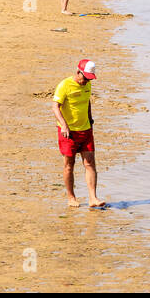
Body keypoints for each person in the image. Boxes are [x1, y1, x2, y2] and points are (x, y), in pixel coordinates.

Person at [52, 60, 106, 208]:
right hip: (68, 133)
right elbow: (55, 106)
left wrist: (90, 119)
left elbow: (87, 101)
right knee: (69, 165)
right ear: (78, 72)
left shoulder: (87, 84)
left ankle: (93, 198)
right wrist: (64, 125)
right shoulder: (64, 85)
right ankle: (71, 198)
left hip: (86, 129)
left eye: (90, 78)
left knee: (90, 163)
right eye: (85, 77)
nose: (86, 81)